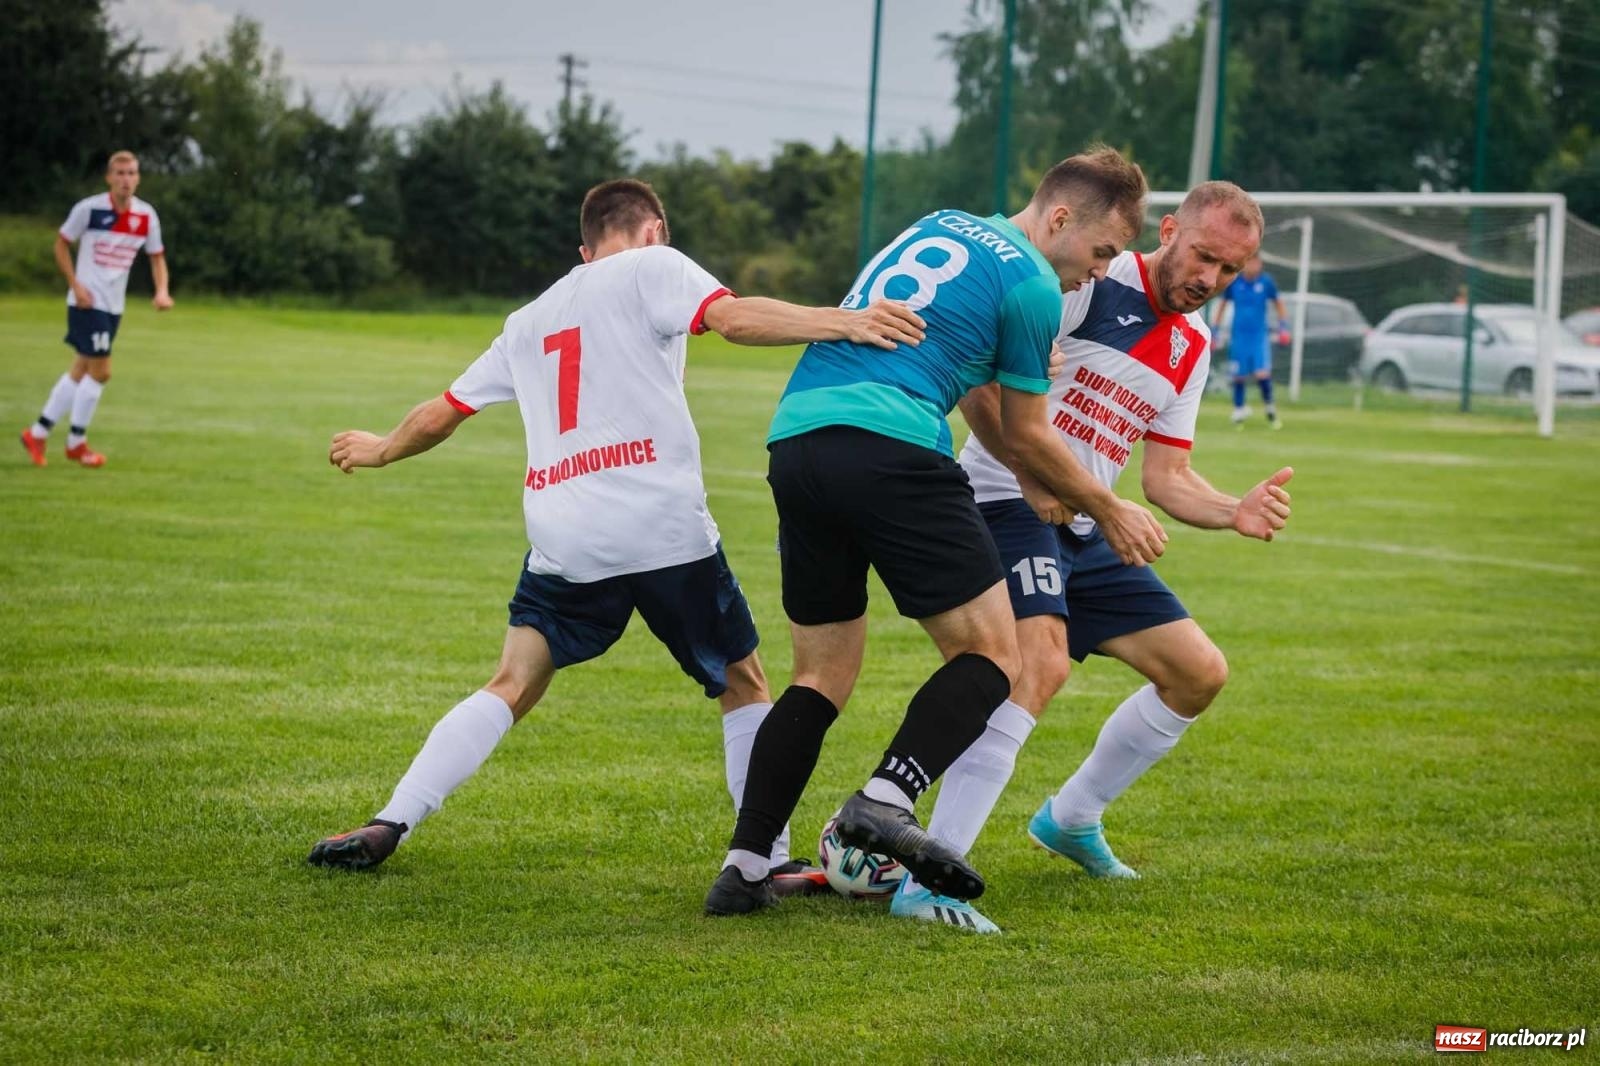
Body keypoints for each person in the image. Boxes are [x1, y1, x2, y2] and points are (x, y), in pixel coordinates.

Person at [307, 179, 926, 896]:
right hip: (658, 523)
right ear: (653, 230)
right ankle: (766, 860)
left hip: (564, 529)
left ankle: (392, 819)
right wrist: (844, 322)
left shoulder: (529, 317)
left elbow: (445, 412)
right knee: (743, 680)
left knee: (512, 680)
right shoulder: (652, 266)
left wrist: (380, 447)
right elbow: (731, 319)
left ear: (583, 248)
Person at [705, 145, 1170, 918]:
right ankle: (886, 800)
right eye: (1100, 251)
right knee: (996, 653)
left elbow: (976, 384)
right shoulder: (1032, 286)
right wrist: (1108, 505)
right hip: (893, 448)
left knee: (820, 675)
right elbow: (1025, 433)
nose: (1097, 271)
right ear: (1059, 218)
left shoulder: (943, 224)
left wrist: (1032, 466)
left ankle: (745, 866)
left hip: (799, 441)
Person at [898, 181, 1293, 933]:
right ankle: (929, 877)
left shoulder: (1193, 347)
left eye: (1230, 271)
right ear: (1171, 231)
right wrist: (1028, 474)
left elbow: (1167, 479)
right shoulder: (1090, 279)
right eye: (1205, 255)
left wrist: (1232, 510)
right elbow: (982, 384)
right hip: (1006, 504)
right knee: (1036, 666)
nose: (1211, 279)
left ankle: (1071, 818)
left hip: (1088, 524)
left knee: (1198, 673)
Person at [20, 150, 173, 468]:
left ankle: (37, 433)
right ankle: (76, 441)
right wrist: (76, 284)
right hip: (87, 303)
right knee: (102, 372)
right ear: (109, 178)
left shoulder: (146, 216)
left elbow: (156, 256)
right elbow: (61, 243)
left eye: (131, 173)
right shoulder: (89, 210)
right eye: (119, 173)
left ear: (138, 178)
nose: (126, 179)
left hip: (114, 306)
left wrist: (162, 291)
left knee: (80, 369)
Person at [1213, 253, 1288, 428]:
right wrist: (1215, 330)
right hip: (1239, 337)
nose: (1254, 266)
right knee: (1238, 375)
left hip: (1259, 337)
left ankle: (1270, 408)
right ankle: (1239, 410)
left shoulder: (1266, 282)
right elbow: (1222, 305)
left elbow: (1279, 304)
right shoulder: (1235, 282)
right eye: (1250, 262)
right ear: (1244, 264)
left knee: (1262, 373)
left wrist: (1283, 326)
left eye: (1257, 262)